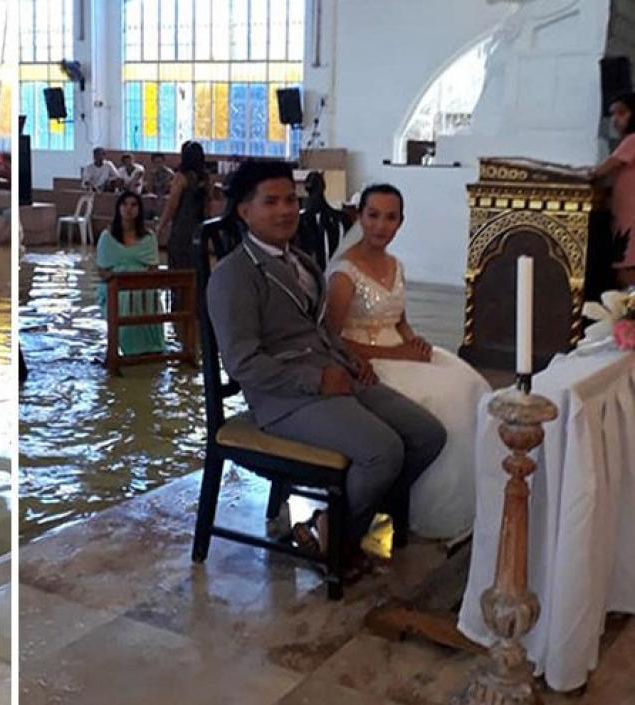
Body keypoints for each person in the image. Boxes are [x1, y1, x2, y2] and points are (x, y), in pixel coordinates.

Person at [206, 160, 446, 572]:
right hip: (282, 397)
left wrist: (350, 359)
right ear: (245, 211)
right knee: (383, 451)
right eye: (271, 202)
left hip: (335, 373)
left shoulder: (302, 261)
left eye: (291, 200)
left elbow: (320, 331)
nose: (286, 210)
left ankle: (332, 526)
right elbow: (242, 362)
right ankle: (338, 540)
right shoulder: (234, 276)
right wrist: (316, 379)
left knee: (427, 434)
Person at [325, 184, 490, 539]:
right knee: (447, 400)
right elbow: (331, 338)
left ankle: (465, 502)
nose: (381, 226)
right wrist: (396, 353)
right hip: (366, 363)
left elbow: (397, 318)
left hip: (399, 350)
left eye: (391, 218)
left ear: (400, 223)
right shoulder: (344, 273)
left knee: (472, 385)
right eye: (373, 216)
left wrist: (412, 339)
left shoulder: (395, 265)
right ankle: (418, 504)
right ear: (360, 217)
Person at [96, 191, 165, 356]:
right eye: (125, 204)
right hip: (115, 285)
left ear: (139, 210)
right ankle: (123, 347)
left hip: (143, 284)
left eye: (133, 205)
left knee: (148, 296)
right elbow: (102, 270)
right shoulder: (108, 237)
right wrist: (120, 279)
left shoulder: (148, 237)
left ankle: (150, 347)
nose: (129, 209)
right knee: (124, 297)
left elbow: (153, 268)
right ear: (118, 208)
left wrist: (138, 281)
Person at [590, 91, 635, 288]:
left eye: (621, 113)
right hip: (625, 215)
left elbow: (601, 172)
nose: (615, 120)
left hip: (630, 218)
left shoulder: (632, 140)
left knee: (627, 272)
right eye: (613, 115)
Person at [156, 141, 215, 271]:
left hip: (183, 226)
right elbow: (209, 203)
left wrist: (161, 226)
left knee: (180, 262)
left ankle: (179, 290)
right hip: (200, 224)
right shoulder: (206, 177)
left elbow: (172, 205)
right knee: (198, 262)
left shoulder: (181, 177)